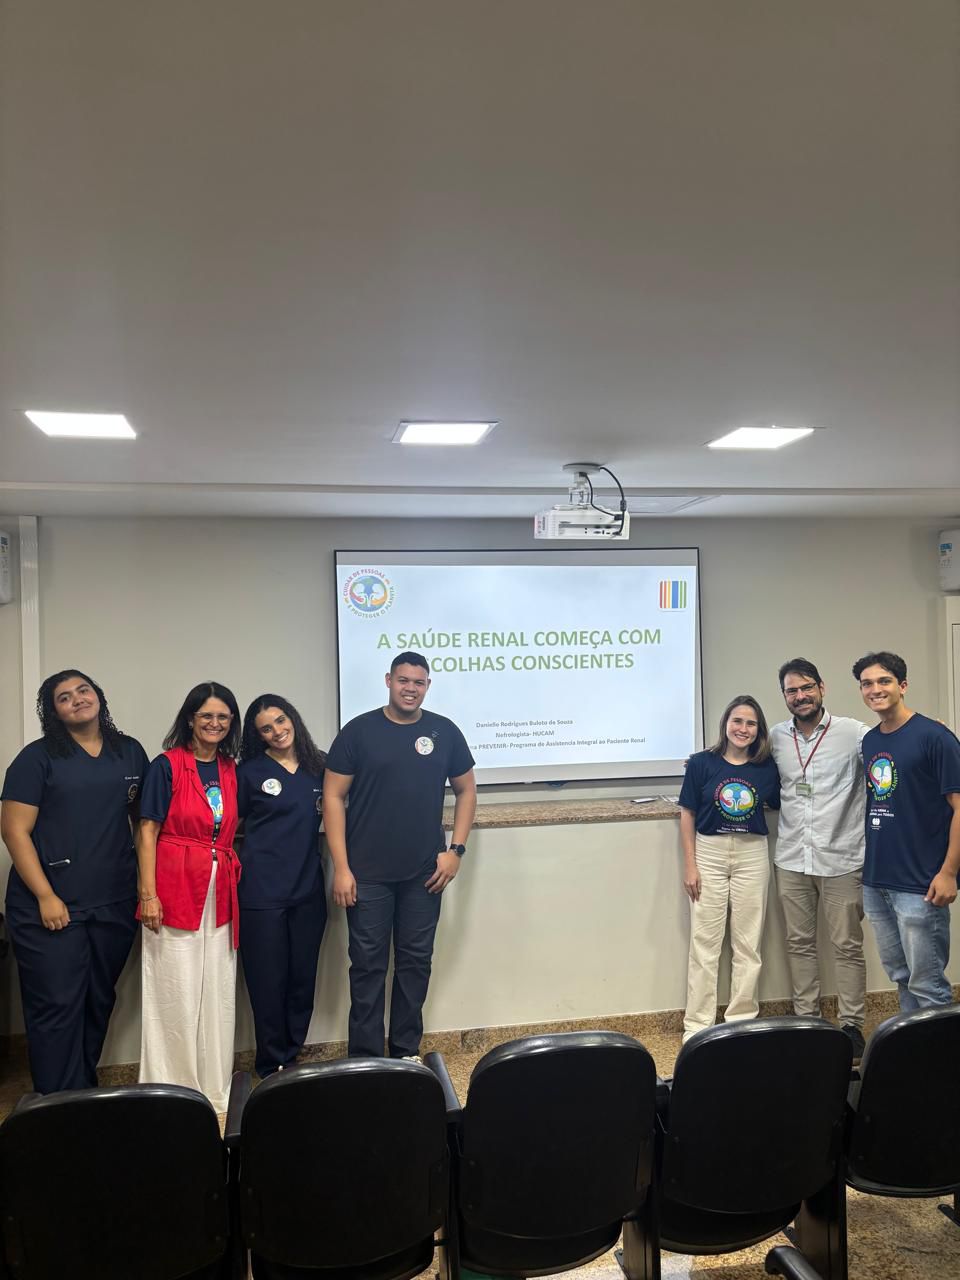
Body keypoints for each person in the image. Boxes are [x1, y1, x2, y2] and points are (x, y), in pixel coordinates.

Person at [0, 670, 149, 1093]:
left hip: (113, 900)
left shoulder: (129, 752)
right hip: (51, 905)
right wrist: (45, 894)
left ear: (98, 696)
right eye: (64, 697)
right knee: (57, 1004)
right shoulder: (37, 758)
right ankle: (56, 1103)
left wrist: (146, 887)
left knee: (98, 1000)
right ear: (53, 711)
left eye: (83, 690)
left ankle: (81, 1092)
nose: (77, 699)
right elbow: (13, 830)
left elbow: (144, 824)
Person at [323, 651, 477, 1059]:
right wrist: (342, 867)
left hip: (424, 875)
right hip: (367, 875)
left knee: (415, 963)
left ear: (428, 686)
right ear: (389, 680)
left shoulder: (445, 732)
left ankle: (405, 1053)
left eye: (419, 682)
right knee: (367, 967)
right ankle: (366, 1059)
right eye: (403, 680)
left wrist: (456, 851)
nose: (411, 688)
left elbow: (466, 791)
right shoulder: (358, 732)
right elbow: (333, 797)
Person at [137, 681, 242, 1111]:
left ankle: (214, 1087)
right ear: (190, 719)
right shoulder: (166, 766)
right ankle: (172, 1090)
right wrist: (148, 894)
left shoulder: (230, 768)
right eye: (207, 716)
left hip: (221, 885)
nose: (215, 723)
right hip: (175, 883)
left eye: (223, 717)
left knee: (217, 989)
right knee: (174, 987)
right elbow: (147, 831)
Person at [769, 658, 868, 1059]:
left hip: (842, 857)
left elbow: (894, 750)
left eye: (806, 687)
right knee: (799, 944)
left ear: (822, 688)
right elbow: (737, 755)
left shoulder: (853, 733)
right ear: (785, 696)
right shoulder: (776, 737)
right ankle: (806, 1020)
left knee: (847, 945)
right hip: (792, 858)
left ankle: (852, 1025)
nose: (800, 696)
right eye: (792, 690)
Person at [854, 651, 960, 1010]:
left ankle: (941, 1048)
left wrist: (949, 872)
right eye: (867, 683)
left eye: (884, 681)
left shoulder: (935, 737)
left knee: (928, 984)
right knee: (901, 975)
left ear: (902, 685)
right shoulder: (870, 741)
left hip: (921, 882)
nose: (875, 689)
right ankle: (913, 1045)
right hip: (877, 880)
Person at [678, 695, 781, 1042]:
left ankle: (741, 1021)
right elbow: (687, 813)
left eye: (751, 723)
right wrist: (690, 865)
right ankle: (697, 1026)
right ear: (726, 723)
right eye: (737, 721)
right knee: (704, 943)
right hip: (709, 852)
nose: (743, 729)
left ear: (758, 730)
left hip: (752, 854)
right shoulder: (700, 763)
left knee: (748, 944)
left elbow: (781, 801)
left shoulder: (767, 767)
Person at [237, 694, 327, 1078]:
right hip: (261, 892)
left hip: (308, 890)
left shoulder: (319, 765)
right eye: (266, 728)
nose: (276, 731)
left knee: (302, 978)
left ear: (293, 718)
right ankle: (270, 1064)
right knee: (267, 982)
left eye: (280, 720)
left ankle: (292, 1056)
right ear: (257, 736)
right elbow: (229, 826)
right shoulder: (248, 773)